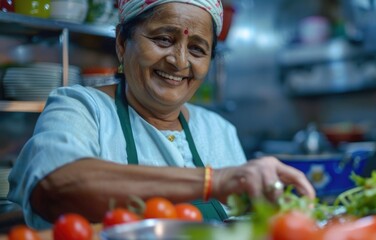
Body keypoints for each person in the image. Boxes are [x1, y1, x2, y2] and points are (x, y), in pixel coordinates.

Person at [8, 0, 315, 230]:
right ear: (121, 44)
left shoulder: (218, 130)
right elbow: (57, 186)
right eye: (163, 40)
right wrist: (215, 180)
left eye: (197, 49)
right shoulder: (81, 108)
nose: (179, 61)